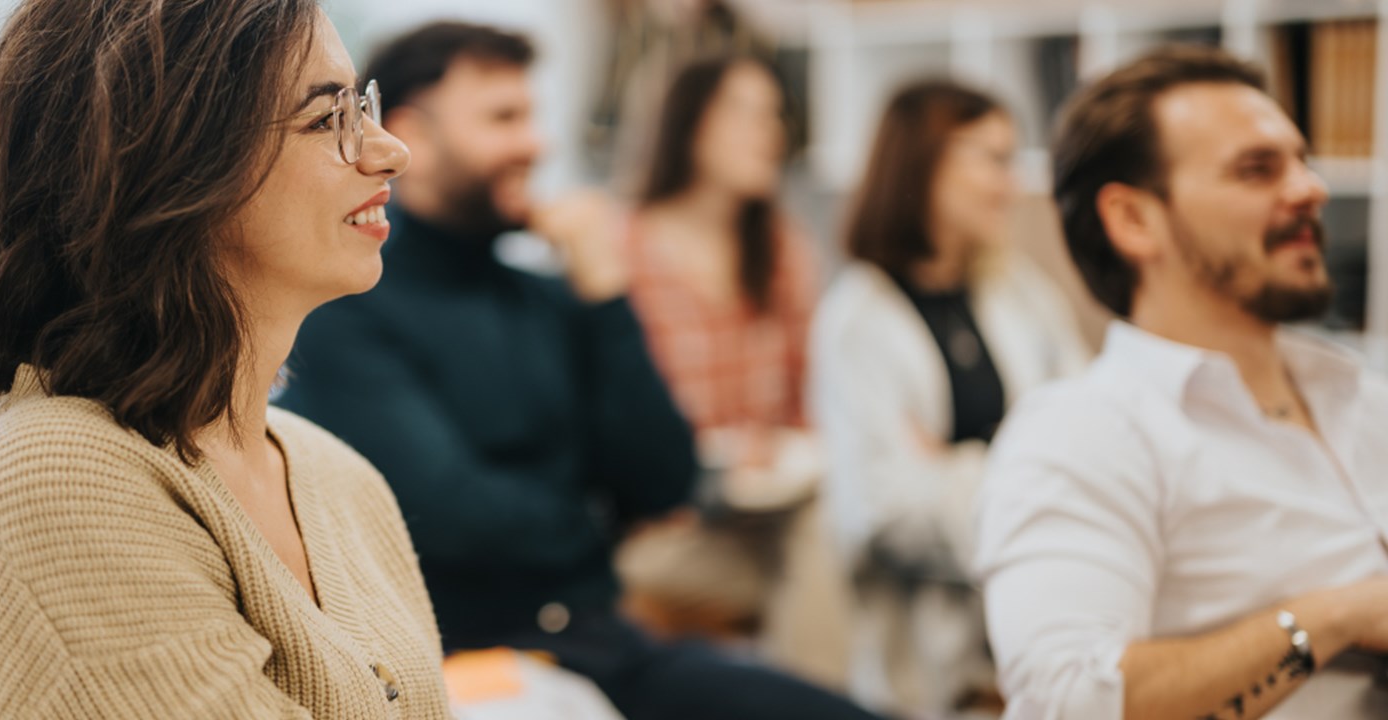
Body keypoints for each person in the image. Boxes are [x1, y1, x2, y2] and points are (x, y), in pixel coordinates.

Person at [278, 21, 884, 720]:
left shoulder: (549, 298)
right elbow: (448, 517)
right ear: (414, 130)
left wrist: (607, 297)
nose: (536, 144)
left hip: (606, 645)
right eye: (505, 118)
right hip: (465, 663)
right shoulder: (348, 312)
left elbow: (664, 480)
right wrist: (596, 520)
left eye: (531, 115)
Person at [0, 1, 449, 717]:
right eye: (325, 119)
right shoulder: (61, 471)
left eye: (360, 106)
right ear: (174, 168)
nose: (390, 150)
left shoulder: (338, 476)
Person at [974, 45, 1388, 720]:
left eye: (1301, 161)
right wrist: (1338, 614)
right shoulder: (1083, 434)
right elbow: (1069, 700)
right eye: (1257, 170)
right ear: (1134, 220)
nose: (1310, 188)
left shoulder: (1363, 400)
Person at [809, 79, 1089, 717]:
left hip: (1040, 626)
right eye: (991, 160)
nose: (1010, 184)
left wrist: (953, 467)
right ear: (925, 162)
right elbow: (882, 512)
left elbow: (1086, 437)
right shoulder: (858, 319)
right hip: (928, 661)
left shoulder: (1020, 291)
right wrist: (1026, 481)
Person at [617, 54, 826, 649]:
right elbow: (609, 422)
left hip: (773, 512)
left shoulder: (783, 250)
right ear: (689, 123)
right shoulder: (621, 251)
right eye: (745, 112)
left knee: (830, 537)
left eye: (774, 115)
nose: (771, 133)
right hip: (664, 526)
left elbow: (808, 399)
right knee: (819, 569)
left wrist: (782, 447)